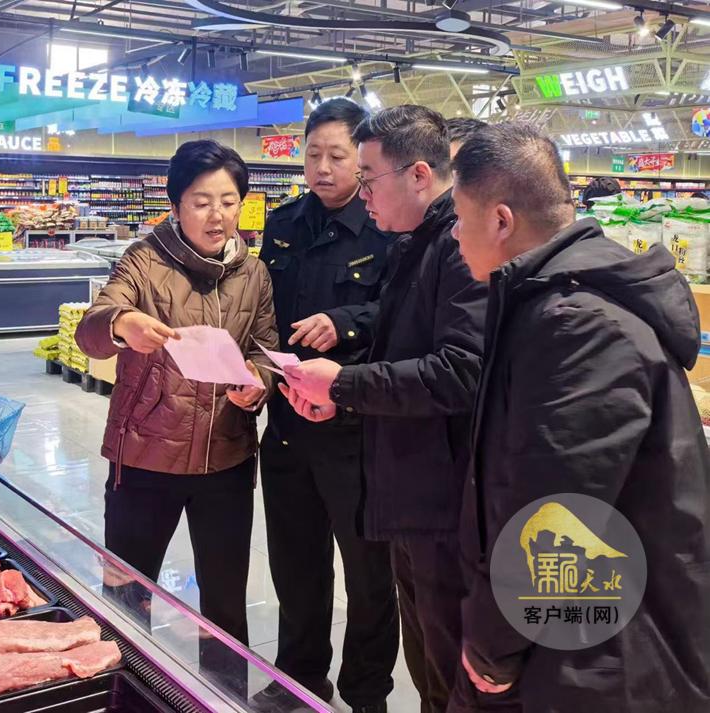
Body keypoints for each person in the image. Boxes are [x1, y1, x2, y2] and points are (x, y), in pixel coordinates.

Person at [450, 122, 710, 713]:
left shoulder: (577, 323)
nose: (455, 234)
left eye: (460, 217)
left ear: (501, 220)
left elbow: (556, 509)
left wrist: (492, 647)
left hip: (600, 652)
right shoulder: (558, 299)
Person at [279, 105, 488, 713]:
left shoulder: (457, 246)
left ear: (419, 175)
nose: (360, 190)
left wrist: (343, 384)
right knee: (426, 650)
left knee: (442, 658)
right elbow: (399, 348)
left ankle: (366, 691)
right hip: (392, 461)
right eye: (314, 155)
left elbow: (460, 371)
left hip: (436, 487)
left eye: (366, 175)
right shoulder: (415, 243)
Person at [75, 140, 279, 665]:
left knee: (225, 603)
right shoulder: (143, 261)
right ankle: (126, 687)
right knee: (127, 592)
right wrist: (122, 323)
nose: (218, 216)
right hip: (145, 457)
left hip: (226, 459)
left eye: (229, 202)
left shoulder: (253, 274)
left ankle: (225, 691)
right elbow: (91, 330)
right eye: (201, 202)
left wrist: (258, 382)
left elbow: (264, 349)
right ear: (175, 204)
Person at [253, 98, 398, 713]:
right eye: (313, 154)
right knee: (296, 564)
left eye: (337, 155)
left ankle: (366, 693)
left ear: (361, 160)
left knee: (369, 576)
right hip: (287, 425)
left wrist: (346, 322)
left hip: (355, 430)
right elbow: (262, 310)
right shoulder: (283, 223)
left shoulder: (387, 228)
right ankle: (299, 677)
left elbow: (402, 314)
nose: (322, 167)